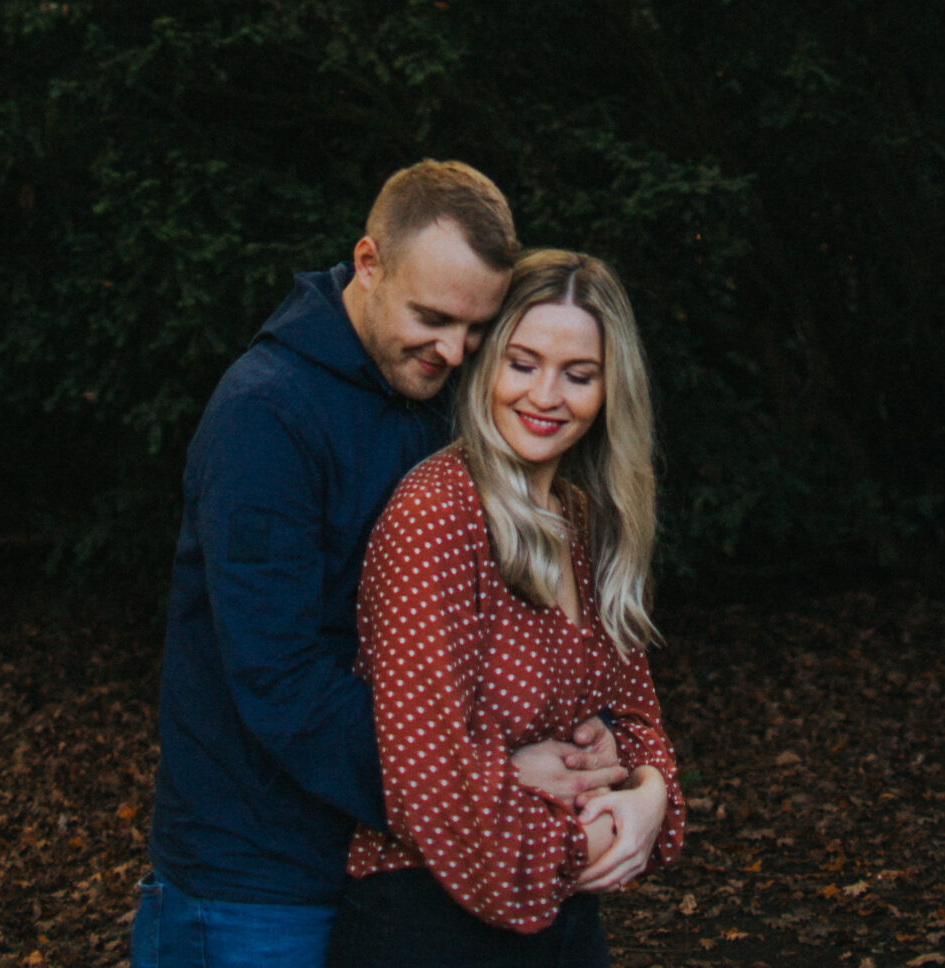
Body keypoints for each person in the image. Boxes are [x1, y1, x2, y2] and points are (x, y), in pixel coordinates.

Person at [133, 165, 628, 968]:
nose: (454, 350)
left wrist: (594, 747)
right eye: (432, 318)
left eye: (476, 329)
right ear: (368, 263)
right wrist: (491, 773)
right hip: (255, 884)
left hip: (394, 869)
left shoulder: (442, 392)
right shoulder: (265, 416)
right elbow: (280, 676)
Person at [328, 249, 685, 968]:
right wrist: (588, 840)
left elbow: (636, 716)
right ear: (485, 363)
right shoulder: (437, 514)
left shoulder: (581, 522)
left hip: (563, 919)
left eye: (578, 375)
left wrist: (648, 796)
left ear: (611, 388)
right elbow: (429, 776)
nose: (546, 396)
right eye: (522, 363)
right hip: (428, 922)